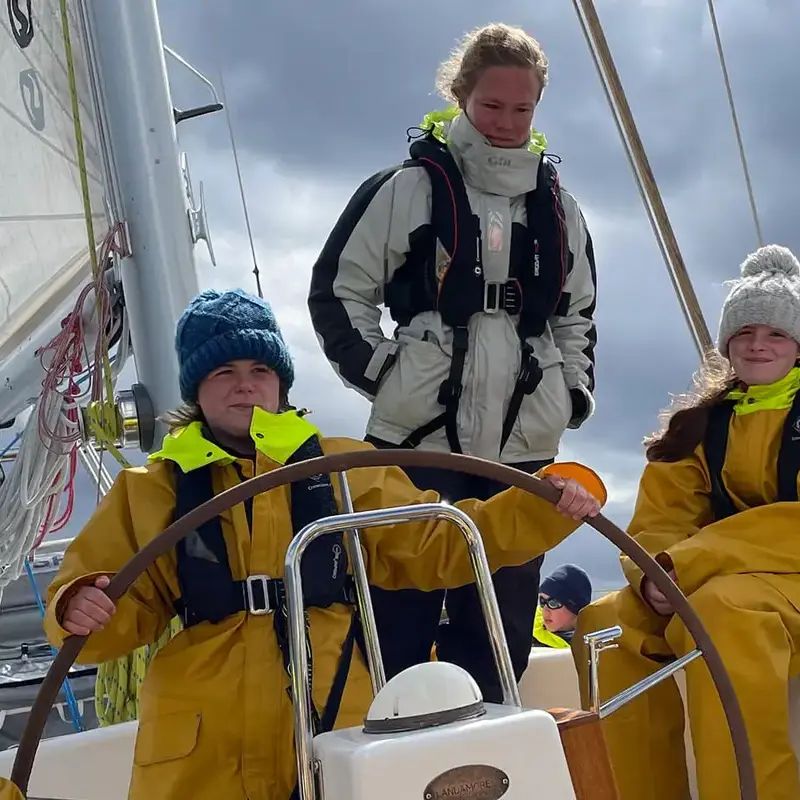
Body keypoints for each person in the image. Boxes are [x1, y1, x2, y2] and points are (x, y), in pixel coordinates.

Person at [35, 288, 604, 800]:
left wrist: (540, 507)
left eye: (259, 367)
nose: (244, 383)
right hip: (202, 743)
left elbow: (439, 542)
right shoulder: (151, 489)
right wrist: (76, 605)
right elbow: (108, 608)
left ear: (280, 381)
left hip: (334, 717)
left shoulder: (341, 467)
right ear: (195, 388)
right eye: (222, 371)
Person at [307, 22, 598, 704]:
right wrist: (386, 372)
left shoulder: (563, 211)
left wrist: (573, 392)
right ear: (462, 97)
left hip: (525, 448)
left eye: (521, 109)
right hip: (417, 441)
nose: (506, 121)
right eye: (492, 106)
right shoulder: (406, 190)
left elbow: (576, 315)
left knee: (499, 632)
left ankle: (486, 767)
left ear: (537, 108)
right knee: (398, 618)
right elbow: (339, 292)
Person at [572, 244, 800, 800]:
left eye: (775, 333)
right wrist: (652, 576)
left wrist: (683, 565)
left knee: (724, 613)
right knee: (603, 625)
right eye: (744, 333)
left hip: (770, 582)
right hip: (711, 577)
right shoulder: (699, 427)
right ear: (726, 345)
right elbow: (661, 517)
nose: (757, 344)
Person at [532, 563, 592, 648]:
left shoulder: (595, 643)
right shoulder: (526, 636)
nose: (545, 610)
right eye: (542, 601)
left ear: (574, 607)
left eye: (553, 603)